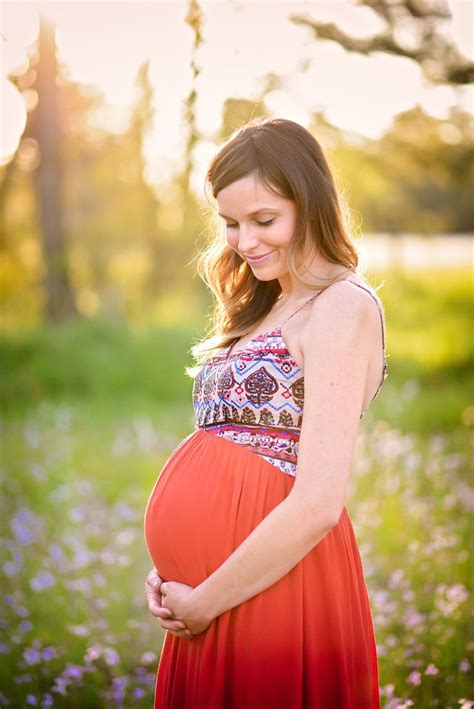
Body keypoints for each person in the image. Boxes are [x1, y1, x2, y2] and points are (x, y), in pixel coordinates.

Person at [143, 117, 388, 708]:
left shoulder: (341, 308)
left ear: (311, 206)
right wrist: (175, 575)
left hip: (280, 588)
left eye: (264, 220)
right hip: (216, 593)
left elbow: (318, 502)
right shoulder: (265, 307)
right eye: (230, 223)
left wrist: (204, 599)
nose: (244, 241)